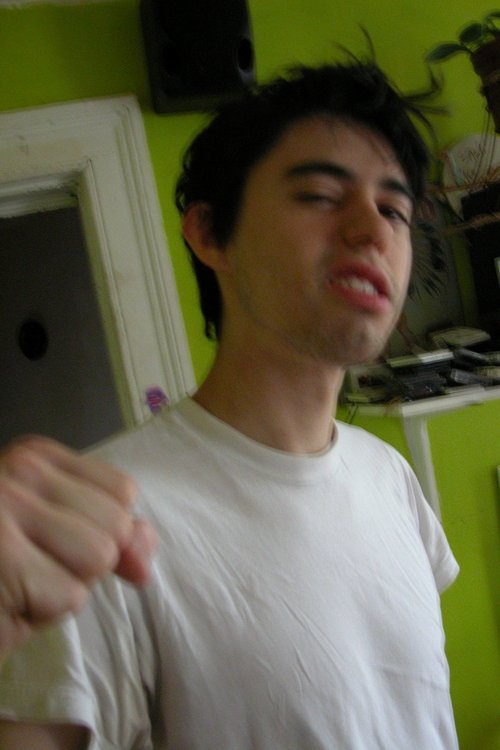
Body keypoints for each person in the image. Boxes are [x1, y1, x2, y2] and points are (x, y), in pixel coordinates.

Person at [0, 59, 459, 749]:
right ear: (211, 233)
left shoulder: (392, 479)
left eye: (394, 209)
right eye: (321, 195)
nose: (373, 230)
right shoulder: (103, 533)